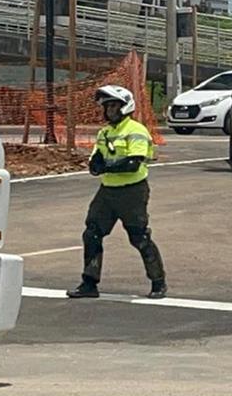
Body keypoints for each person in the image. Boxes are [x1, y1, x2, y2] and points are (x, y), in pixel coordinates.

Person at [68, 85, 167, 300]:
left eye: (114, 105)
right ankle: (89, 283)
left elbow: (133, 163)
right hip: (107, 191)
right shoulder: (104, 133)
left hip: (132, 192)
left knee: (139, 237)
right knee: (92, 233)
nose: (109, 110)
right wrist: (96, 165)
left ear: (125, 107)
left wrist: (106, 167)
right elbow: (96, 162)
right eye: (107, 106)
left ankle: (158, 281)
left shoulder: (136, 130)